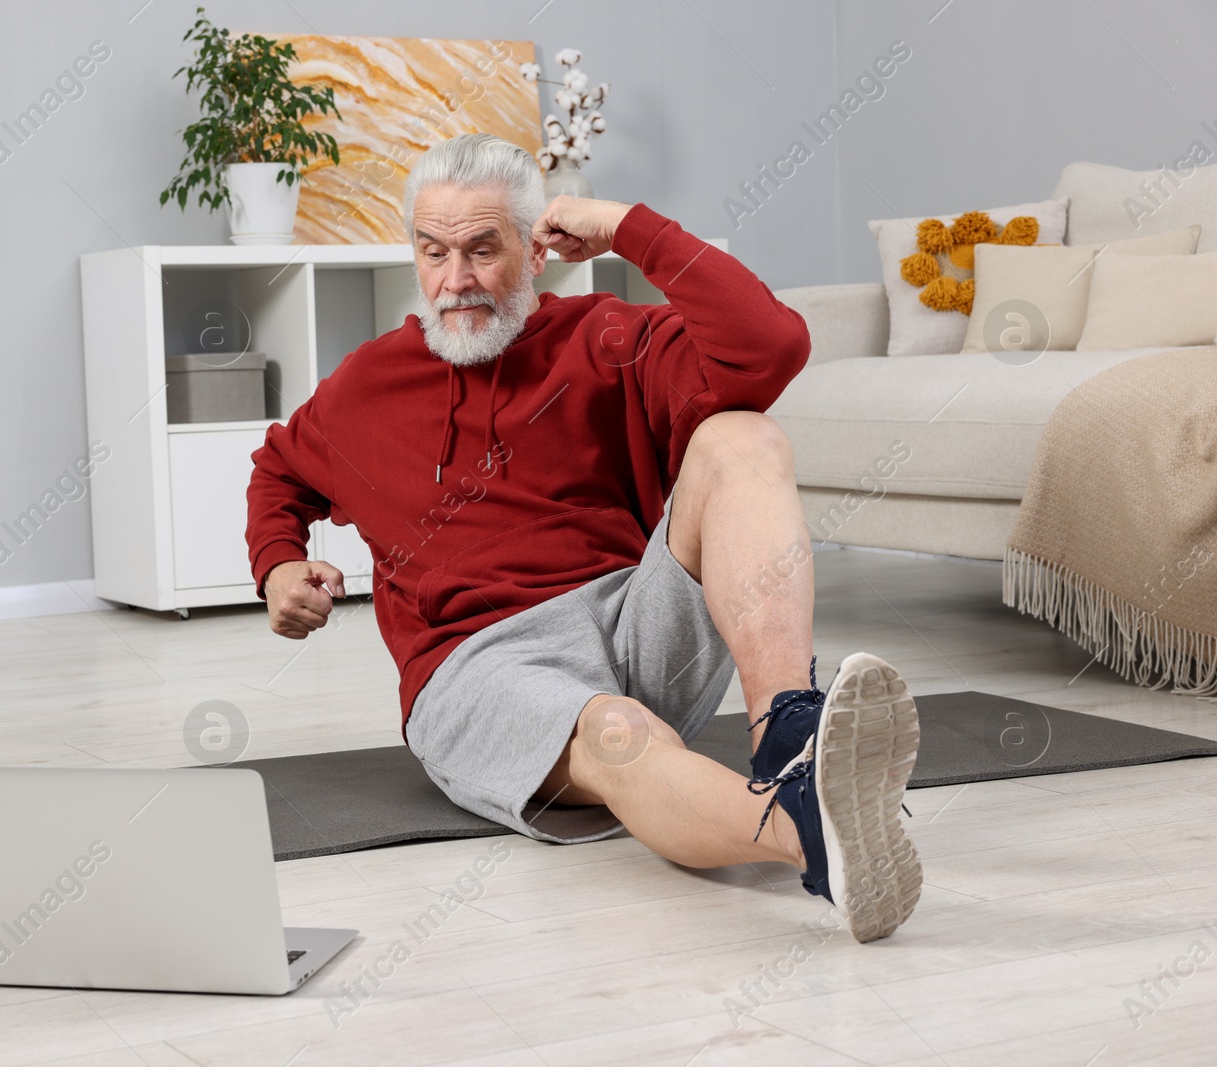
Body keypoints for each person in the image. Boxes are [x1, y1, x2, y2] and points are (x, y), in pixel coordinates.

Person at [245, 133, 920, 943]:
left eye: (481, 250)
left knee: (743, 436)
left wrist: (632, 226)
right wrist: (279, 564)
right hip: (481, 665)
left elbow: (772, 347)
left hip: (630, 619)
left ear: (536, 251)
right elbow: (277, 470)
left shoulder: (606, 337)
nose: (454, 280)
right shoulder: (367, 384)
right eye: (433, 252)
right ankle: (813, 835)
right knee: (620, 736)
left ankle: (788, 732)